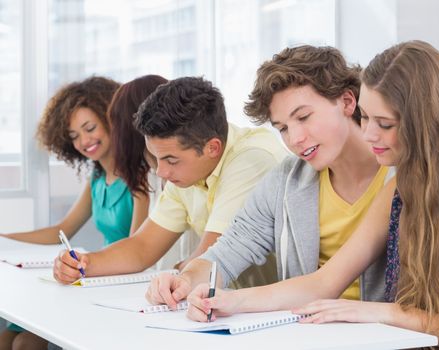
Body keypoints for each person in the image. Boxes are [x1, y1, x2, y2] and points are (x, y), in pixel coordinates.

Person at [186, 41, 439, 349]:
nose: (369, 134)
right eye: (366, 118)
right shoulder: (401, 187)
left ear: (425, 122)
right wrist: (234, 301)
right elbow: (325, 281)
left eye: (385, 124)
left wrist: (388, 314)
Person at [145, 45, 390, 308]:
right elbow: (231, 247)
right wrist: (187, 279)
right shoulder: (285, 181)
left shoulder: (400, 175)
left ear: (347, 101)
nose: (295, 139)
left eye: (304, 117)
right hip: (308, 331)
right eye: (282, 128)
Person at [52, 76, 288, 288]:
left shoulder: (252, 159)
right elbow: (142, 247)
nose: (162, 172)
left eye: (170, 160)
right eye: (155, 158)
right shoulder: (183, 172)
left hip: (272, 315)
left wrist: (181, 272)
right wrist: (84, 264)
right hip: (223, 304)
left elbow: (214, 255)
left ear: (212, 148)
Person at [0, 77, 150, 350]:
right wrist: (4, 238)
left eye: (89, 128)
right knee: (7, 335)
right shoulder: (97, 177)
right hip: (93, 275)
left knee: (24, 342)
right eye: (74, 137)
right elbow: (61, 230)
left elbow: (138, 249)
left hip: (117, 281)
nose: (84, 141)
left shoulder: (140, 176)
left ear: (111, 119)